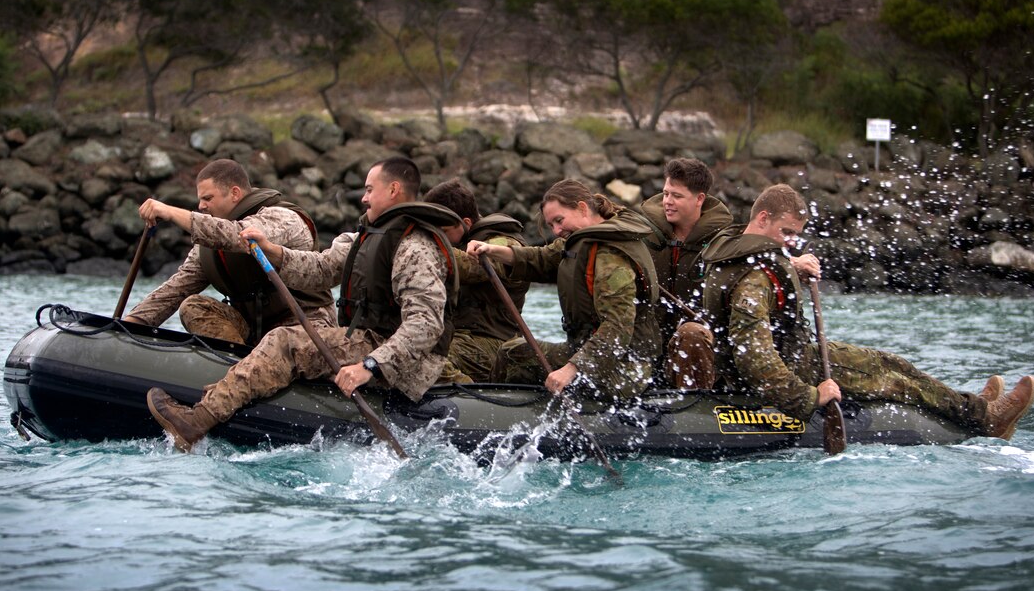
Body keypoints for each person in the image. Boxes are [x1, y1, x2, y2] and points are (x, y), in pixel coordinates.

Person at [145, 157, 462, 452]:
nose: (363, 198)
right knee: (280, 337)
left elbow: (425, 324)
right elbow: (321, 269)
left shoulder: (414, 246)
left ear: (393, 190)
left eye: (369, 189)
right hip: (371, 341)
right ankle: (227, 394)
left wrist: (370, 366)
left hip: (400, 360)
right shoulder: (363, 238)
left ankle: (196, 422)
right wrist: (273, 251)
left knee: (285, 340)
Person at [700, 183, 1034, 439]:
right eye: (786, 232)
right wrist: (809, 397)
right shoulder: (756, 276)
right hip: (798, 367)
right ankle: (985, 417)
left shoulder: (732, 248)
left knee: (896, 363)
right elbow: (754, 359)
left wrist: (791, 272)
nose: (791, 241)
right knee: (898, 382)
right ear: (762, 218)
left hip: (796, 355)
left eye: (795, 235)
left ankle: (971, 405)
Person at [466, 179, 661, 403]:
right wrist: (491, 250)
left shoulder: (610, 256)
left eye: (559, 220)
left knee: (513, 357)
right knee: (512, 351)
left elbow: (617, 328)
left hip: (624, 369)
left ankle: (497, 412)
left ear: (582, 208)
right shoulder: (581, 240)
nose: (557, 231)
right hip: (591, 354)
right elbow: (541, 258)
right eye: (551, 226)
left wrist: (570, 369)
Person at [125, 158, 333, 345]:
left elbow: (238, 236)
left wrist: (171, 212)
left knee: (278, 341)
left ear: (234, 193)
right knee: (193, 306)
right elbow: (176, 288)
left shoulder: (282, 218)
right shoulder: (210, 243)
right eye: (200, 199)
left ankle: (243, 376)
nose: (201, 206)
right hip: (256, 331)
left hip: (305, 326)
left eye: (208, 198)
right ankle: (234, 366)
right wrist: (131, 325)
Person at [637, 157, 733, 389]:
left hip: (700, 352)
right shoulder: (641, 233)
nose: (667, 202)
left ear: (700, 199)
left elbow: (757, 251)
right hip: (648, 349)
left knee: (692, 333)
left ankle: (699, 413)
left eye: (677, 196)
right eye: (666, 194)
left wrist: (793, 263)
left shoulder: (724, 241)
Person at [423, 179, 531, 383]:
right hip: (457, 336)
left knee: (427, 359)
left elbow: (475, 266)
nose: (437, 237)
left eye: (442, 232)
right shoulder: (458, 241)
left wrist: (421, 250)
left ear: (466, 223)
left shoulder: (505, 242)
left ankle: (471, 399)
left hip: (494, 345)